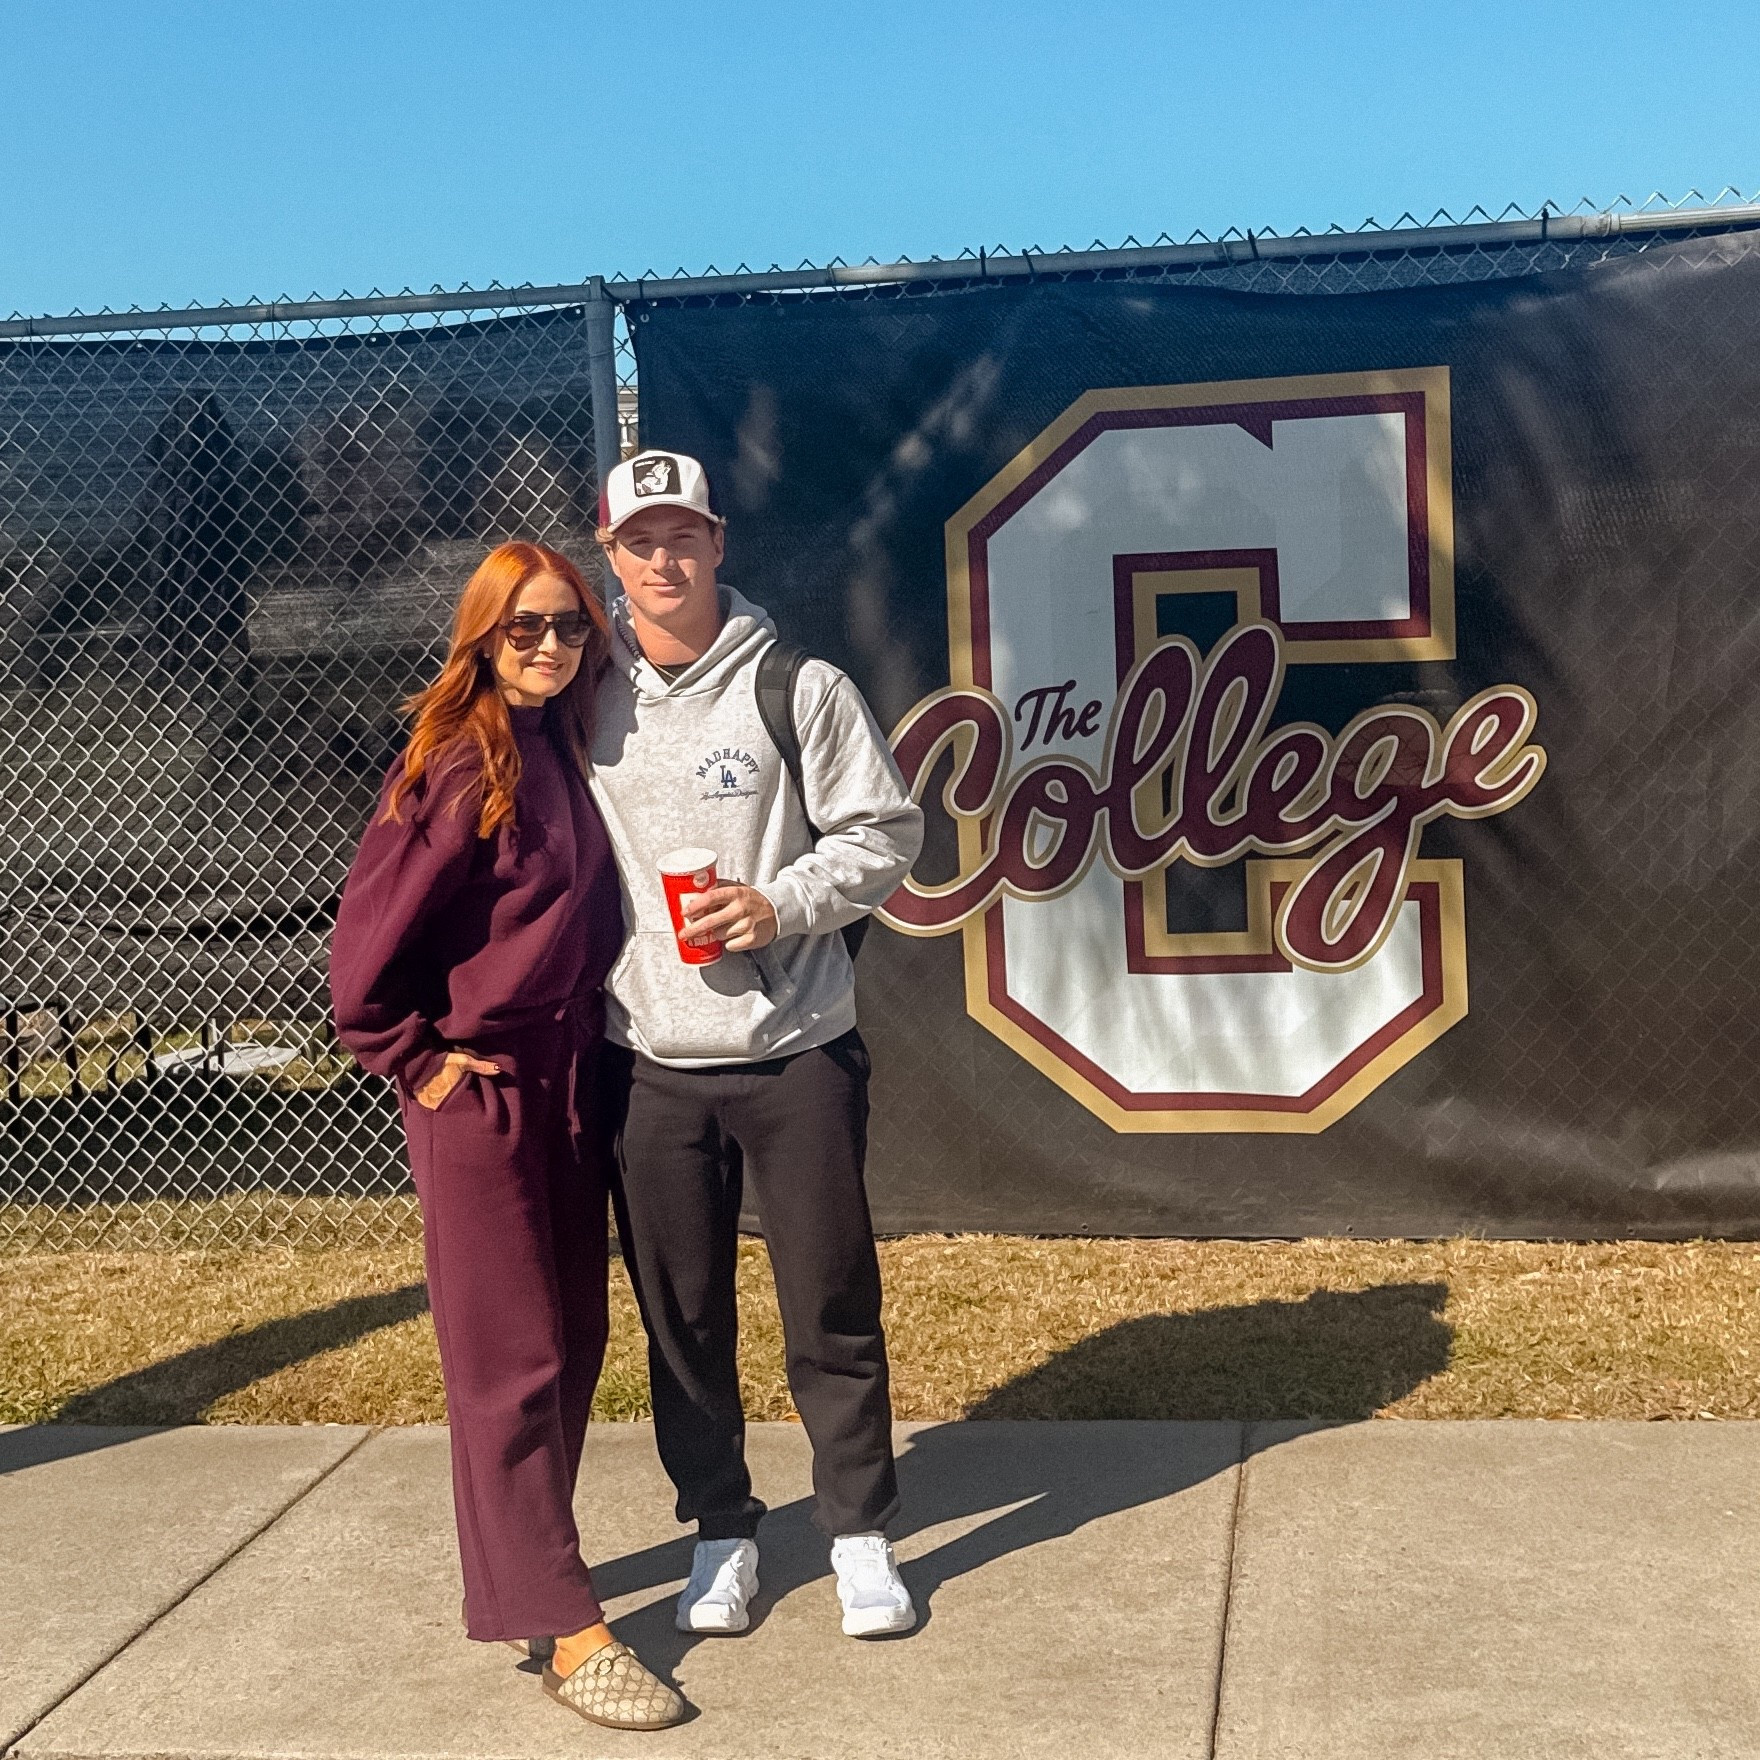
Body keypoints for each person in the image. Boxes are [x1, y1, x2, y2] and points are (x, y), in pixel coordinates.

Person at [328, 541, 685, 1732]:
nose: (547, 645)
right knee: (512, 1358)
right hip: (482, 1091)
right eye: (522, 627)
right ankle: (565, 1624)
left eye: (569, 626)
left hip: (572, 1070)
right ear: (480, 637)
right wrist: (418, 1060)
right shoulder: (454, 758)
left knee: (573, 1333)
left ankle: (526, 1577)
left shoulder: (562, 743)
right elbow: (363, 957)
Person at [590, 449, 926, 1640]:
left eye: (683, 536)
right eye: (641, 541)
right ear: (611, 555)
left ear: (718, 542)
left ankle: (857, 1531)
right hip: (647, 1059)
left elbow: (887, 832)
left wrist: (777, 904)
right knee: (680, 1315)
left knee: (828, 1296)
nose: (664, 558)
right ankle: (722, 1528)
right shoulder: (585, 694)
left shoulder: (799, 683)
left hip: (794, 1050)